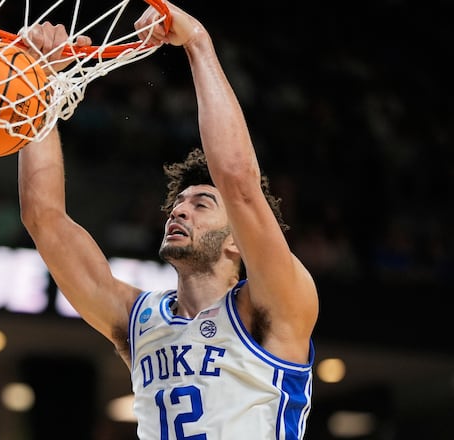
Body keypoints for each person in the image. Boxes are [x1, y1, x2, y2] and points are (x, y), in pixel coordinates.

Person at [18, 2, 319, 439]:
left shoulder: (274, 305)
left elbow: (237, 182)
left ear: (237, 242)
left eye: (201, 204)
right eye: (179, 203)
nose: (179, 210)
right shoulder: (139, 320)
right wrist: (39, 84)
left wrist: (197, 42)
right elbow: (43, 218)